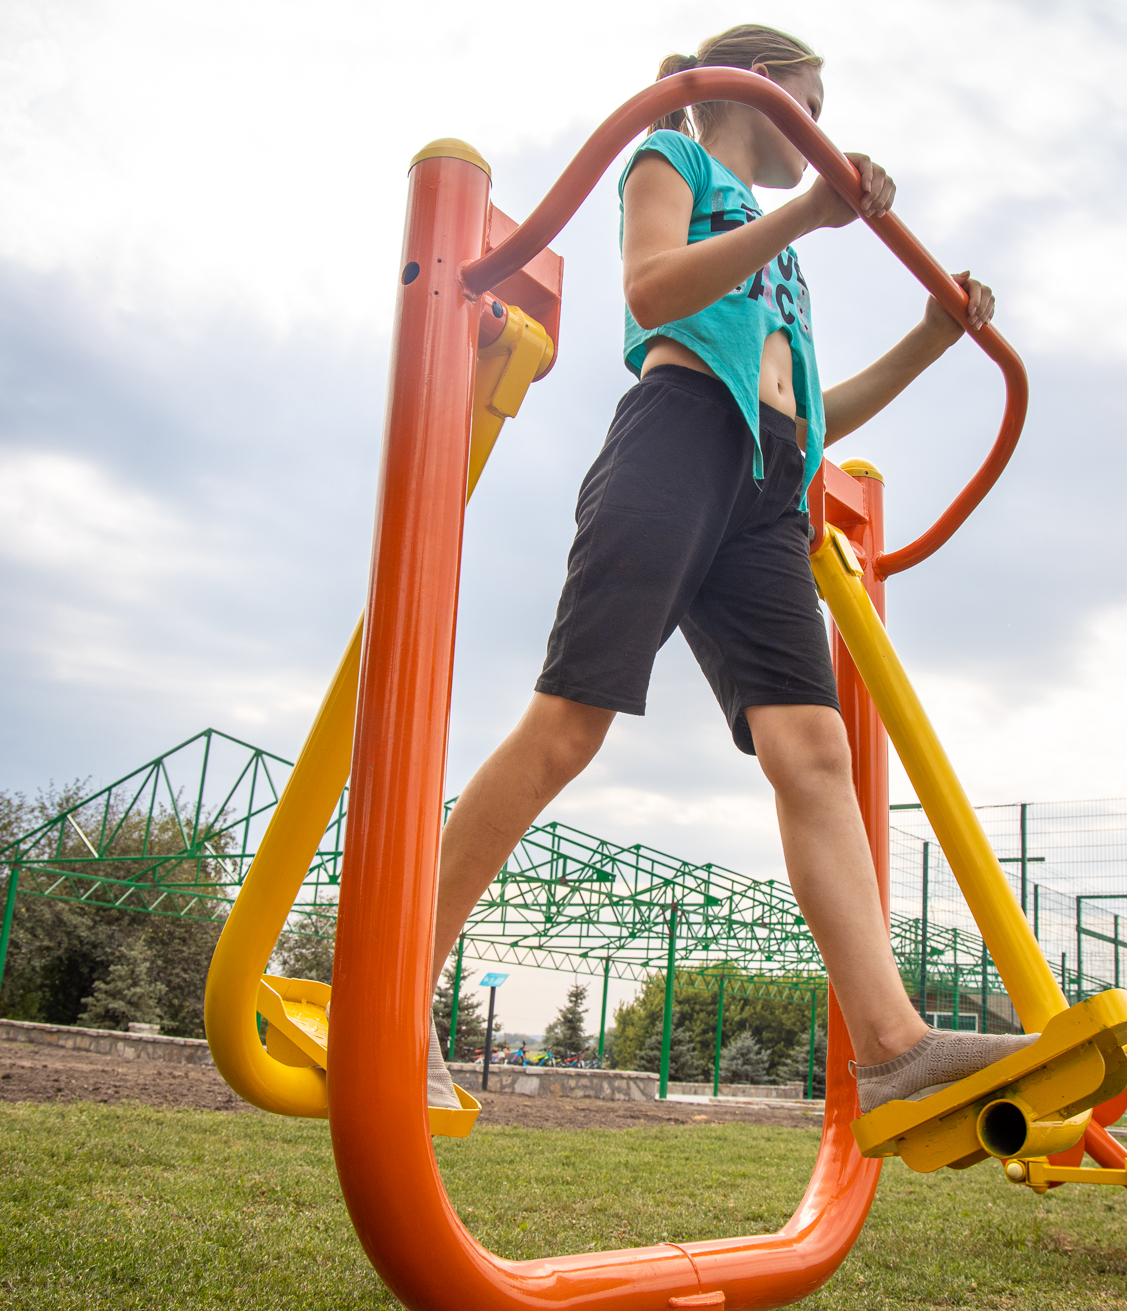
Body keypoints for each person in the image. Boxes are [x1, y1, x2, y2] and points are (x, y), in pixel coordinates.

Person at [420, 24, 1035, 1117]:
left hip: (770, 483)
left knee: (815, 749)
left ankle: (891, 1044)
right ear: (763, 86)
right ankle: (395, 981)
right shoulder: (673, 160)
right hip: (676, 439)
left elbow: (809, 406)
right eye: (816, 95)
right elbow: (653, 291)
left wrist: (932, 338)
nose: (823, 123)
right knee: (571, 722)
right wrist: (805, 211)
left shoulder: (781, 253)